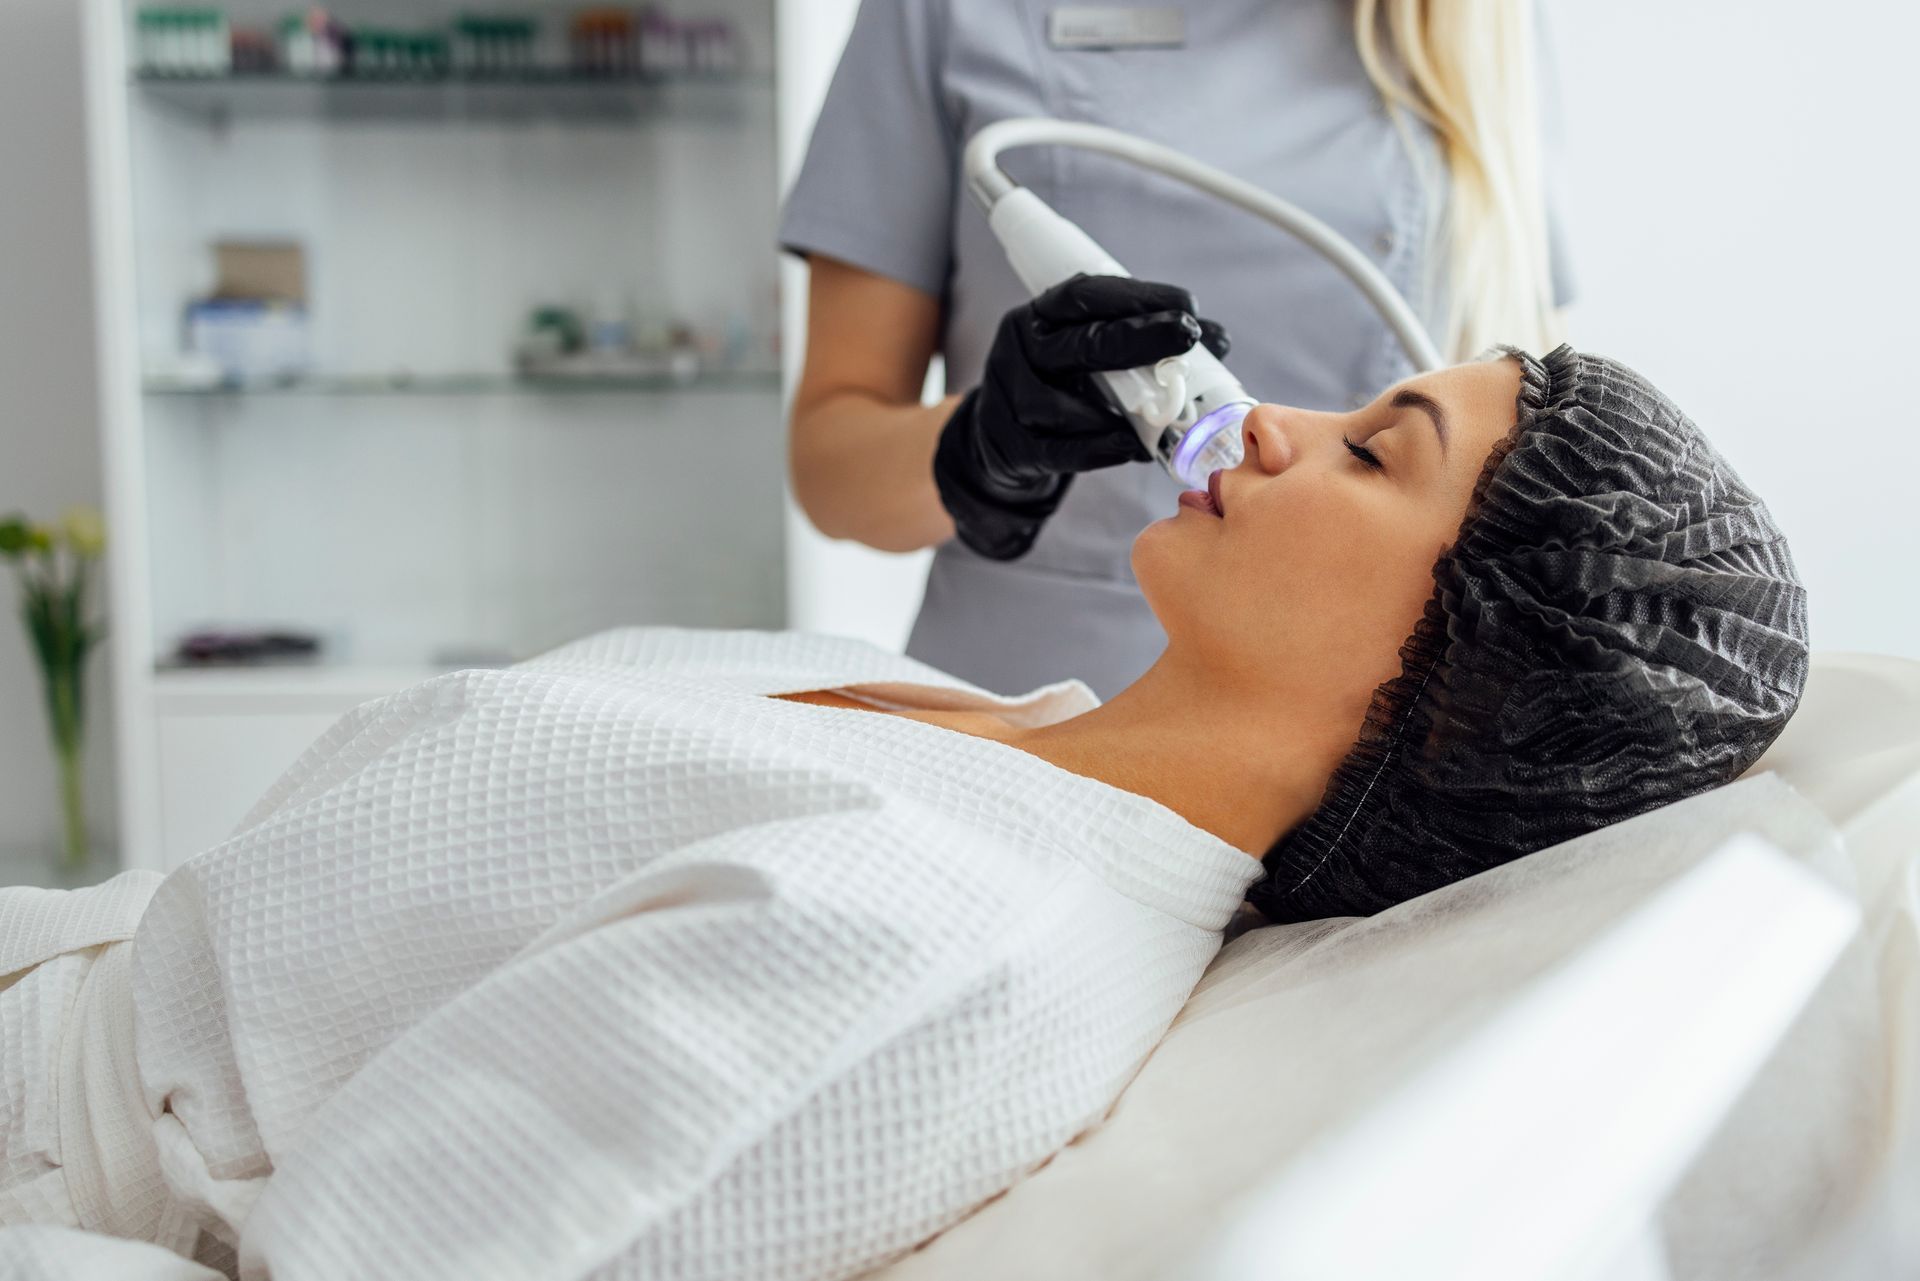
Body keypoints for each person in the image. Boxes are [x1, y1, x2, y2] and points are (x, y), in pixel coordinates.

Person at [0, 346, 1805, 1281]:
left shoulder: (943, 948)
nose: (1267, 418)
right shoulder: (995, 745)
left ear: (1468, 673)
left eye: (1370, 450)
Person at [783, 0, 1579, 698]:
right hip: (1025, 701)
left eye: (1370, 451)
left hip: (1350, 756)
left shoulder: (1480, 27)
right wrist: (983, 443)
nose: (1266, 433)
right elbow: (831, 467)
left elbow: (1535, 466)